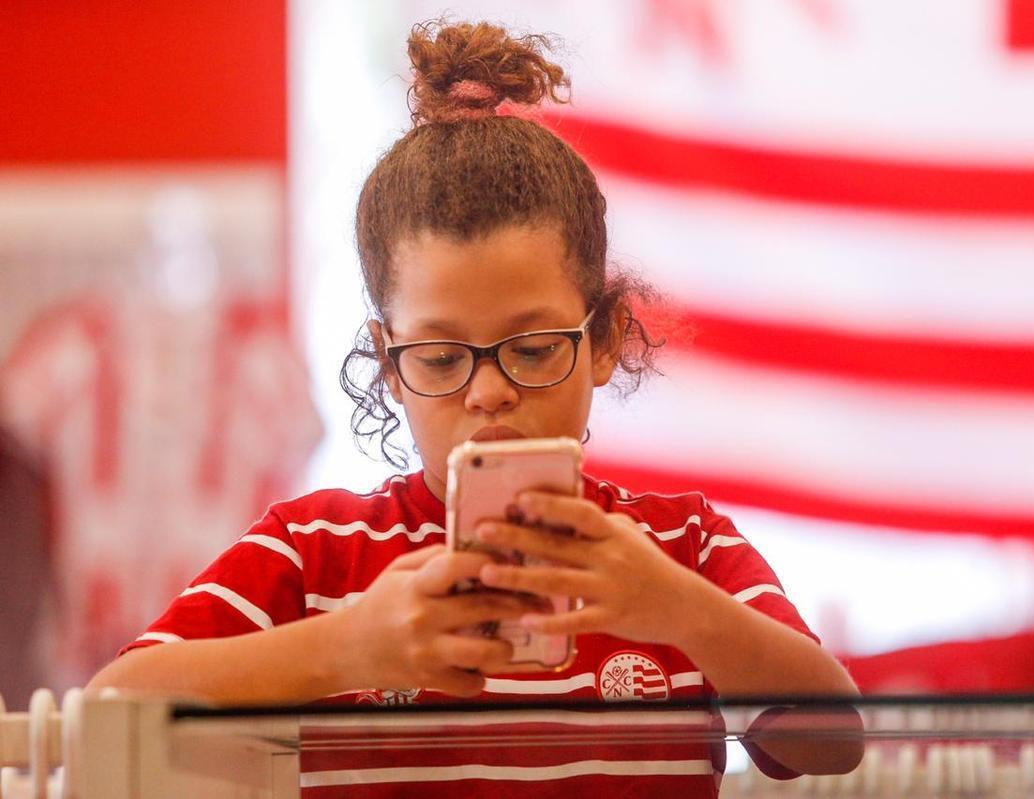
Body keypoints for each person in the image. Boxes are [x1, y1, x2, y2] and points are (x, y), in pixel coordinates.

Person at [87, 19, 858, 796]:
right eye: (441, 358)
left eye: (531, 349)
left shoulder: (680, 546)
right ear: (389, 364)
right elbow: (111, 707)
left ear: (603, 339)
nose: (488, 390)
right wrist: (349, 645)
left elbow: (833, 744)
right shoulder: (316, 551)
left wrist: (675, 610)